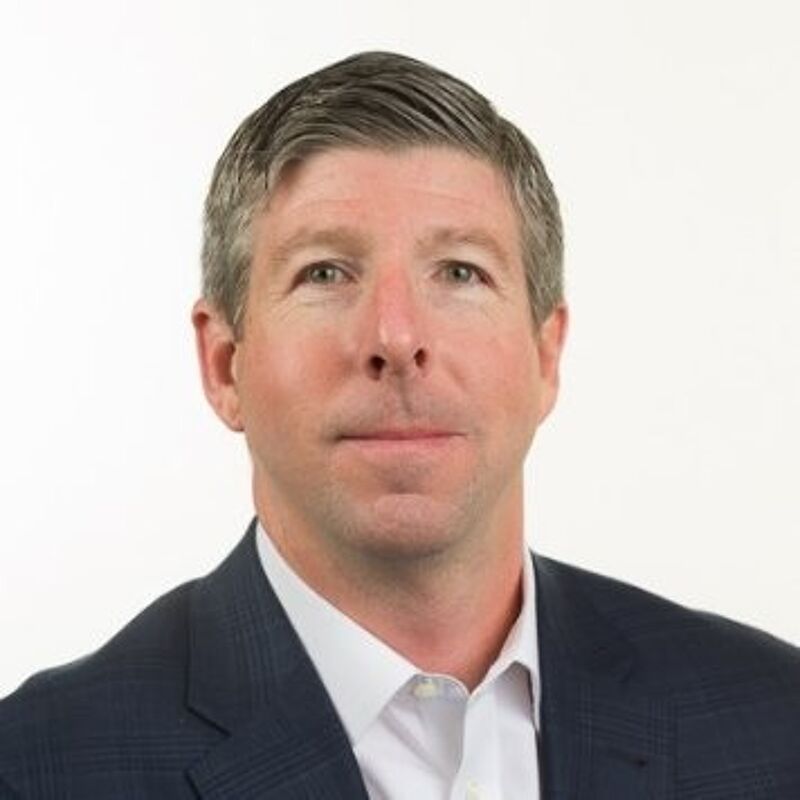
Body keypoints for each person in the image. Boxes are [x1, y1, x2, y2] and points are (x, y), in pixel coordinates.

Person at [0, 51, 798, 800]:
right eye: (324, 273)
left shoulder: (773, 723)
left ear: (546, 354)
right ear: (223, 364)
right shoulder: (41, 766)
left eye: (460, 271)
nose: (395, 337)